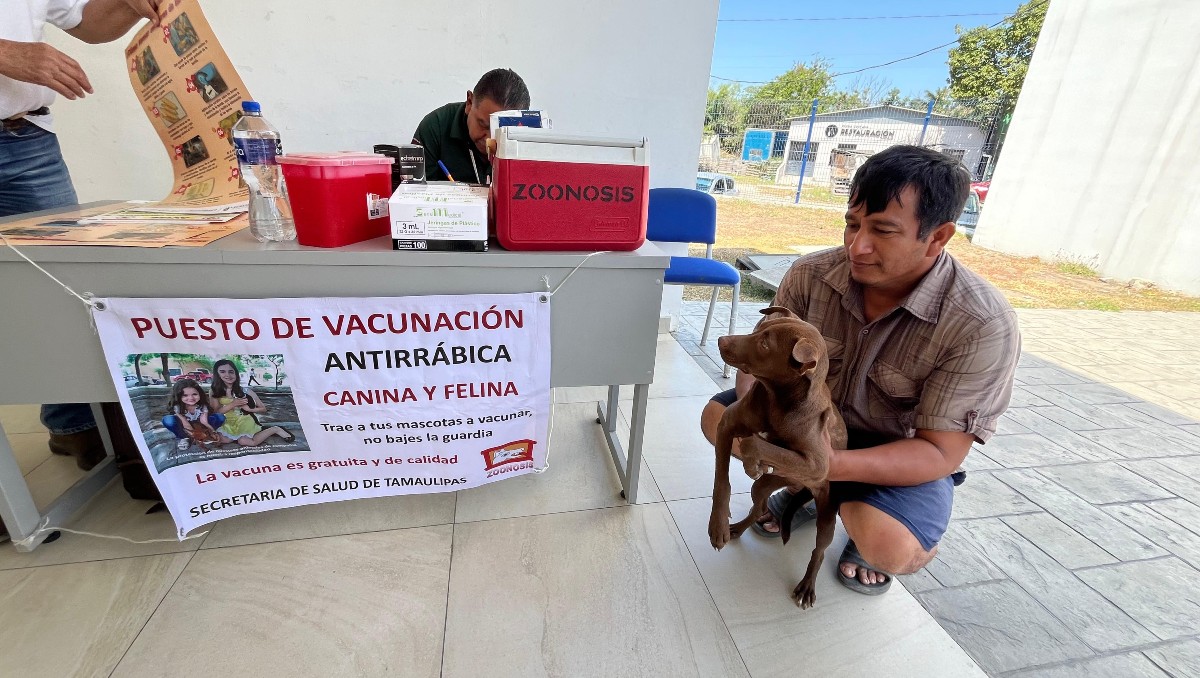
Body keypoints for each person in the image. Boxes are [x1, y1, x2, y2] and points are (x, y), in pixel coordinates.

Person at [700, 145, 1020, 595]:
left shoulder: (980, 323)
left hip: (892, 447)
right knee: (719, 421)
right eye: (852, 223)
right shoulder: (811, 274)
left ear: (938, 236)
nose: (857, 245)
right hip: (803, 422)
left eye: (883, 231)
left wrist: (819, 465)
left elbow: (940, 453)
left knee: (891, 545)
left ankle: (833, 499)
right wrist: (765, 424)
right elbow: (757, 358)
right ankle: (808, 493)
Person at [0, 0, 161, 537]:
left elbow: (87, 23)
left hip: (26, 141)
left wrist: (130, 7)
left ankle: (74, 422)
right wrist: (5, 54)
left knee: (68, 288)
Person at [411, 68, 529, 184]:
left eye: (501, 131)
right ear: (469, 102)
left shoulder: (532, 139)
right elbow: (414, 194)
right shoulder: (435, 127)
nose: (489, 139)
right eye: (483, 124)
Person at [208, 359, 293, 447]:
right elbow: (216, 412)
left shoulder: (246, 391)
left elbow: (263, 409)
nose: (228, 375)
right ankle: (241, 435)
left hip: (245, 420)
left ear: (236, 374)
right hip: (228, 422)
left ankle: (275, 429)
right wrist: (233, 404)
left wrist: (249, 409)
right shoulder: (214, 391)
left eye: (231, 372)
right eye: (222, 372)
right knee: (223, 439)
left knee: (244, 441)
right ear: (217, 374)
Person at [161, 378, 225, 451]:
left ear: (199, 394)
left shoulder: (202, 406)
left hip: (200, 426)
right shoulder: (177, 407)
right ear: (178, 396)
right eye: (185, 395)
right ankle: (184, 438)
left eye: (194, 394)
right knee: (168, 420)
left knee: (220, 417)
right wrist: (195, 435)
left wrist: (213, 431)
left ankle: (206, 435)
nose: (191, 398)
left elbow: (204, 421)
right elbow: (186, 424)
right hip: (185, 427)